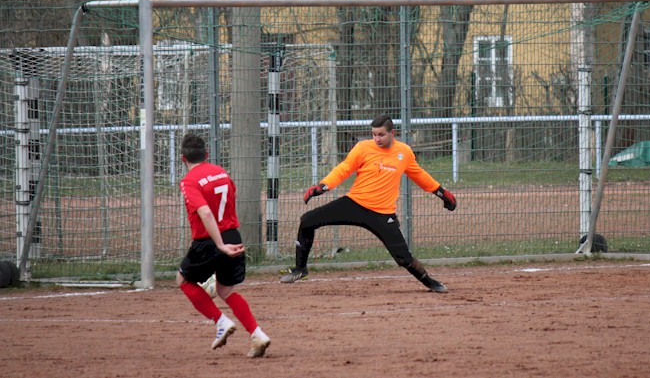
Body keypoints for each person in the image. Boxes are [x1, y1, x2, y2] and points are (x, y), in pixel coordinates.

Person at [280, 115, 458, 292]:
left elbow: (420, 176)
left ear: (392, 133)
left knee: (403, 258)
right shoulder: (363, 148)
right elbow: (344, 169)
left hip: (382, 213)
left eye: (381, 134)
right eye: (374, 134)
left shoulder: (404, 153)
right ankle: (300, 269)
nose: (376, 139)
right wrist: (323, 186)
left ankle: (431, 283)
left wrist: (442, 193)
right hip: (354, 204)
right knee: (307, 220)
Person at [176, 133, 271, 357]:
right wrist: (226, 240)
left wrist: (219, 244)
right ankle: (257, 334)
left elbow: (206, 212)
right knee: (225, 290)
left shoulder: (189, 181)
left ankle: (220, 321)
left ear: (183, 159)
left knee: (182, 280)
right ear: (207, 154)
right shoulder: (221, 172)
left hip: (210, 241)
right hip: (233, 235)